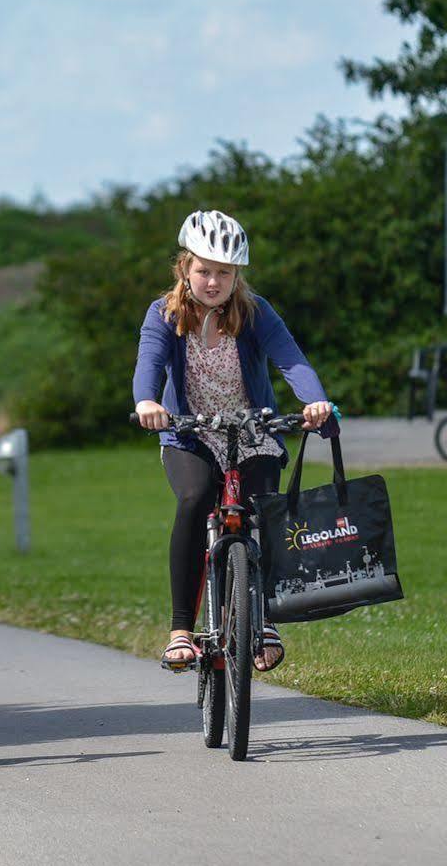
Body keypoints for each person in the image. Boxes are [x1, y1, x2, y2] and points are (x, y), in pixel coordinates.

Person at [132, 209, 334, 673]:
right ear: (185, 267)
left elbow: (291, 360)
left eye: (224, 272)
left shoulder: (254, 311)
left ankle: (264, 619)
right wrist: (147, 401)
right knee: (195, 497)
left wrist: (316, 401)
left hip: (251, 429)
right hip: (189, 430)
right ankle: (181, 628)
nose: (212, 281)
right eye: (203, 269)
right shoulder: (164, 314)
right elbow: (150, 358)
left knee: (265, 507)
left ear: (236, 274)